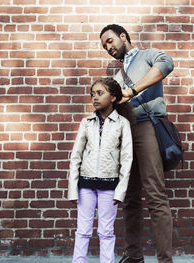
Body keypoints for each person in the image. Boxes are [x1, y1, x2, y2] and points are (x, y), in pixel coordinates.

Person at [99, 24, 174, 263]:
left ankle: (165, 260)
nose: (108, 48)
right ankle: (133, 257)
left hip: (146, 127)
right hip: (125, 135)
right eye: (104, 46)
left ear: (123, 36)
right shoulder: (116, 76)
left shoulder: (149, 55)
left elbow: (166, 66)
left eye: (110, 41)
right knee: (129, 197)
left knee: (155, 194)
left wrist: (132, 90)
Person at [67, 77, 134, 263]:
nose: (94, 98)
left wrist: (120, 191)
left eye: (100, 93)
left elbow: (126, 160)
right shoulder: (86, 122)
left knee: (106, 231)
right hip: (85, 186)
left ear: (113, 97)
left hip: (109, 187)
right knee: (83, 230)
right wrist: (73, 189)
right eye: (92, 94)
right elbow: (76, 156)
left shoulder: (122, 124)